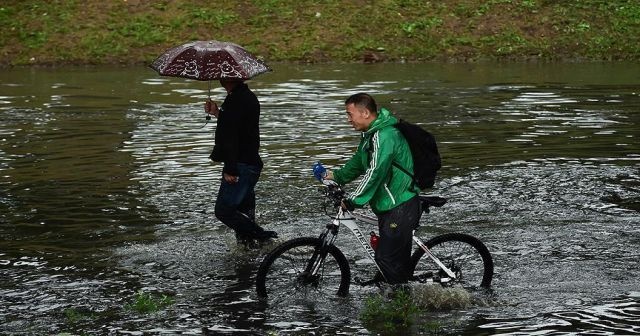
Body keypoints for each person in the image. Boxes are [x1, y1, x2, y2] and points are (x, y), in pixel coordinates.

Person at [325, 93, 421, 284]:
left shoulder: (385, 136)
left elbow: (375, 172)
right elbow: (359, 163)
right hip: (388, 205)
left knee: (385, 259)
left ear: (365, 112)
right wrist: (336, 177)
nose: (348, 120)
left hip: (400, 204)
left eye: (350, 114)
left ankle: (402, 305)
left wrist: (353, 200)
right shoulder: (370, 135)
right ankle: (394, 291)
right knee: (391, 261)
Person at [205, 78, 277, 246]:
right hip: (248, 163)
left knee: (224, 211)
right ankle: (250, 255)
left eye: (223, 75)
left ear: (228, 79)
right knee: (243, 212)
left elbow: (231, 137)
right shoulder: (243, 96)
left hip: (241, 165)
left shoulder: (237, 100)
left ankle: (264, 239)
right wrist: (217, 113)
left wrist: (230, 168)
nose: (219, 77)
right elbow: (236, 127)